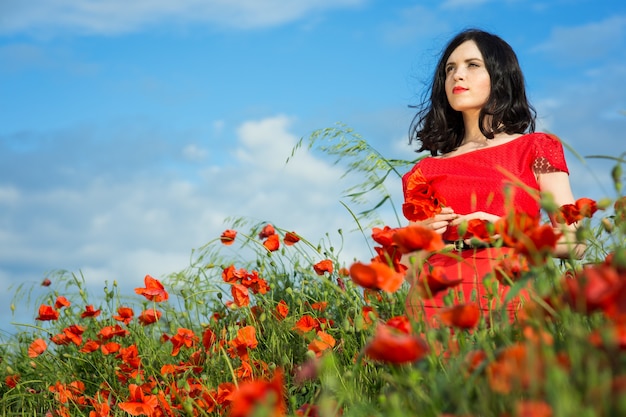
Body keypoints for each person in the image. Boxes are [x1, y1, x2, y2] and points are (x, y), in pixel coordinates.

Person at [401, 28, 585, 326]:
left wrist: (506, 230)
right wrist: (417, 243)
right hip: (434, 308)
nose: (457, 75)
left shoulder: (536, 148)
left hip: (509, 300)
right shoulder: (423, 172)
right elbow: (409, 271)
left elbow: (575, 242)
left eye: (472, 65)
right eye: (450, 69)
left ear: (500, 76)